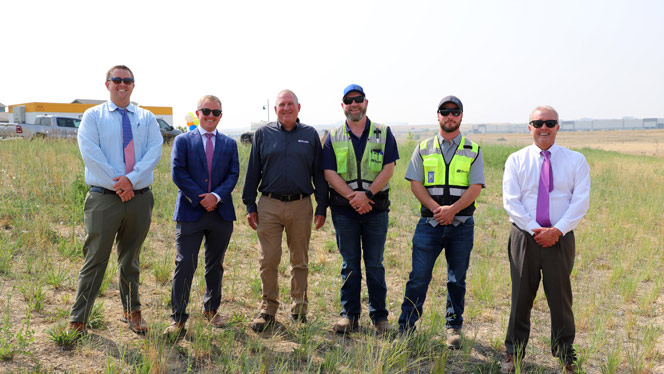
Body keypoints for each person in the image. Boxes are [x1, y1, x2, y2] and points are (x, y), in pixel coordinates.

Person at [68, 65, 162, 335]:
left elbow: (155, 151)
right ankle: (79, 317)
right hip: (104, 199)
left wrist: (131, 180)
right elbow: (90, 152)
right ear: (107, 84)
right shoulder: (93, 116)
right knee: (95, 259)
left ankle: (132, 311)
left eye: (128, 80)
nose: (123, 84)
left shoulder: (147, 117)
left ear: (134, 85)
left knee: (130, 259)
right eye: (117, 80)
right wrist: (119, 183)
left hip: (139, 199)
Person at [501, 106, 590, 373]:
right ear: (529, 127)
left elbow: (580, 201)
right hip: (524, 238)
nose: (544, 127)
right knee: (520, 297)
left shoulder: (576, 160)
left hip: (560, 239)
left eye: (550, 122)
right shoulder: (516, 160)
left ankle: (566, 356)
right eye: (538, 123)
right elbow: (511, 201)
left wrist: (557, 230)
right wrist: (535, 229)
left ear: (558, 127)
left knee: (560, 299)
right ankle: (513, 353)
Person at [398, 95, 485, 349]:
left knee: (457, 280)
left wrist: (453, 211)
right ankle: (406, 326)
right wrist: (438, 210)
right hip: (429, 225)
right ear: (437, 116)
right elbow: (416, 183)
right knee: (418, 278)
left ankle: (453, 327)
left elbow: (475, 186)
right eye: (444, 112)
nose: (450, 116)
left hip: (462, 226)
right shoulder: (423, 148)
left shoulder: (473, 150)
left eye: (455, 112)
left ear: (461, 116)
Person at [242, 89, 327, 332]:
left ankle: (299, 309)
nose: (286, 108)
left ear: (298, 108)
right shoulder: (263, 134)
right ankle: (267, 310)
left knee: (299, 260)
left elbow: (318, 173)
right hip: (269, 204)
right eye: (282, 105)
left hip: (301, 204)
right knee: (268, 260)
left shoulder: (310, 135)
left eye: (290, 104)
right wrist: (250, 204)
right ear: (276, 109)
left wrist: (322, 205)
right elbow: (252, 171)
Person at [322, 84, 399, 334]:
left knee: (375, 264)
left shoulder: (384, 132)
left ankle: (379, 317)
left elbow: (388, 168)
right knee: (350, 264)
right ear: (342, 105)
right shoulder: (333, 136)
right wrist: (353, 198)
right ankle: (349, 316)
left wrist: (366, 195)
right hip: (345, 212)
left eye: (358, 100)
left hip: (376, 210)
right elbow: (329, 172)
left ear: (366, 103)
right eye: (349, 100)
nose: (354, 104)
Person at [163, 95, 239, 337]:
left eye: (216, 112)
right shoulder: (183, 141)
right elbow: (178, 172)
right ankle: (178, 318)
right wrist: (200, 197)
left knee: (215, 265)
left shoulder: (229, 144)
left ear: (221, 116)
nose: (210, 116)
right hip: (190, 212)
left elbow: (233, 174)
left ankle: (211, 309)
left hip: (221, 213)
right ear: (198, 113)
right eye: (206, 111)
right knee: (185, 264)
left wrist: (215, 197)